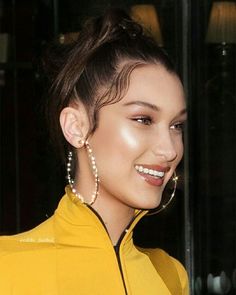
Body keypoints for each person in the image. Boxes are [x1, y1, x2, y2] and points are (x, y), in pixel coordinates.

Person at [0, 8, 189, 295]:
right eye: (143, 119)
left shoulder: (170, 275)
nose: (169, 149)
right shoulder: (8, 269)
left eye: (176, 125)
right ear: (76, 127)